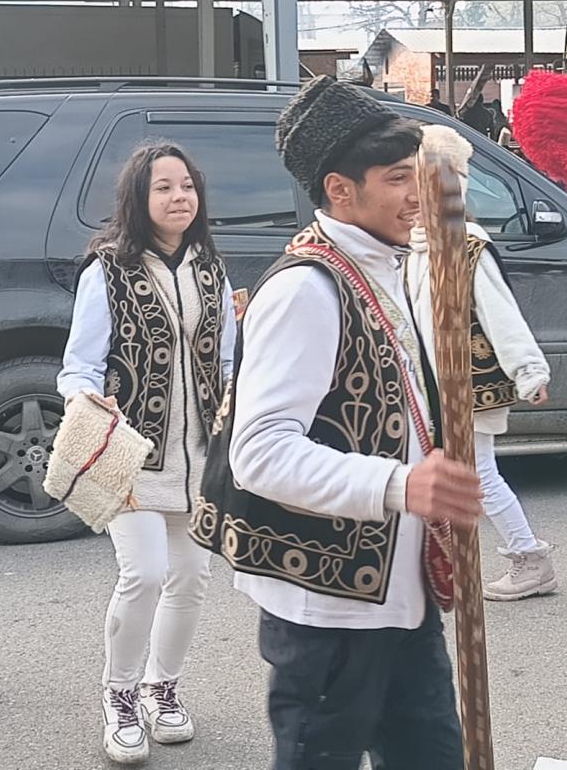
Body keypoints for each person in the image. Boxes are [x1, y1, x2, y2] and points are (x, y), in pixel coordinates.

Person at [189, 75, 481, 770]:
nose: (417, 194)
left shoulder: (377, 267)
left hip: (396, 591)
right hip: (328, 607)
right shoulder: (306, 289)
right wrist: (401, 485)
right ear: (340, 190)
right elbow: (260, 452)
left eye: (417, 174)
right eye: (397, 179)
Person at [57, 141, 236, 765]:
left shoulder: (211, 269)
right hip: (131, 455)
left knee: (192, 577)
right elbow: (78, 366)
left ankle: (164, 689)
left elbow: (228, 358)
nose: (178, 197)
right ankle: (120, 695)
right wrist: (87, 401)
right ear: (139, 196)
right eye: (164, 187)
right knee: (145, 574)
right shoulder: (107, 271)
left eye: (186, 186)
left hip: (201, 457)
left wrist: (237, 408)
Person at [408, 124, 556, 601]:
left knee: (477, 474)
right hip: (429, 384)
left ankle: (530, 557)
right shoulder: (411, 246)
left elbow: (499, 312)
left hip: (469, 384)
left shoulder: (467, 244)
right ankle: (439, 560)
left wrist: (528, 370)